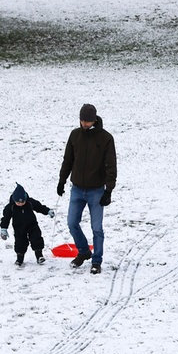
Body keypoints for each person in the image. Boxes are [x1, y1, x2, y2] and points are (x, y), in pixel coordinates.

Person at [57, 104, 117, 275]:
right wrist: (62, 180)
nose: (84, 123)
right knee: (71, 223)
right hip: (77, 189)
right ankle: (84, 251)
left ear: (94, 120)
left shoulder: (106, 138)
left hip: (96, 191)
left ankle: (97, 261)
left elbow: (111, 167)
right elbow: (68, 159)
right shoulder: (75, 135)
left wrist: (108, 190)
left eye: (87, 121)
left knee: (96, 228)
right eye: (82, 120)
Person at [0, 183, 52, 266]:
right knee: (20, 243)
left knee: (36, 239)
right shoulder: (10, 207)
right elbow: (5, 218)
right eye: (18, 202)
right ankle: (19, 259)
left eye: (22, 202)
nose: (20, 204)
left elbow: (39, 207)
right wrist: (3, 229)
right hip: (19, 228)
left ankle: (39, 256)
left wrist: (48, 211)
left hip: (32, 225)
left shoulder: (30, 202)